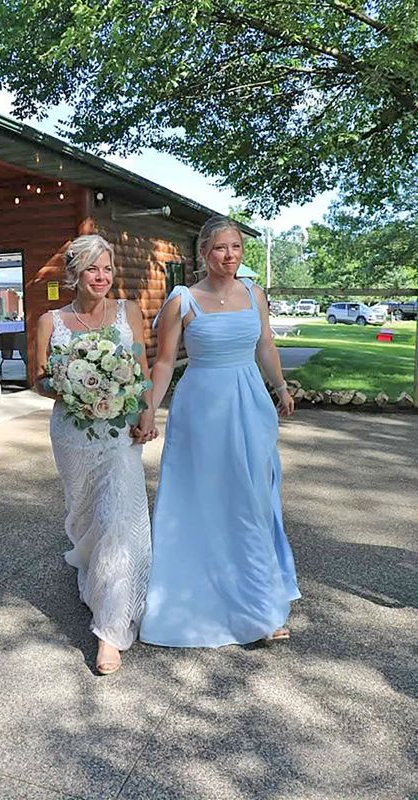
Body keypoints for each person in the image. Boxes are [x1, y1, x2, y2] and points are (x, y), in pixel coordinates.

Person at [139, 216, 300, 648]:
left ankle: (261, 603)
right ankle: (204, 595)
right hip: (201, 411)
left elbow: (265, 344)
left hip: (249, 405)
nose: (229, 256)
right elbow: (164, 363)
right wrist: (150, 410)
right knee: (206, 500)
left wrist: (280, 386)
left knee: (251, 500)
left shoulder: (255, 293)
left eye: (236, 247)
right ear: (203, 254)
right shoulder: (182, 301)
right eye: (219, 249)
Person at [35, 234, 156, 674]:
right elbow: (38, 381)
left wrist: (146, 413)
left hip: (120, 434)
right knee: (87, 516)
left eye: (106, 268)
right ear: (75, 275)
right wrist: (71, 382)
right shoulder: (52, 321)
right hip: (73, 434)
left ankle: (109, 631)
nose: (101, 277)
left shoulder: (129, 313)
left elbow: (141, 372)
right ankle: (94, 574)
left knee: (118, 522)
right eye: (92, 269)